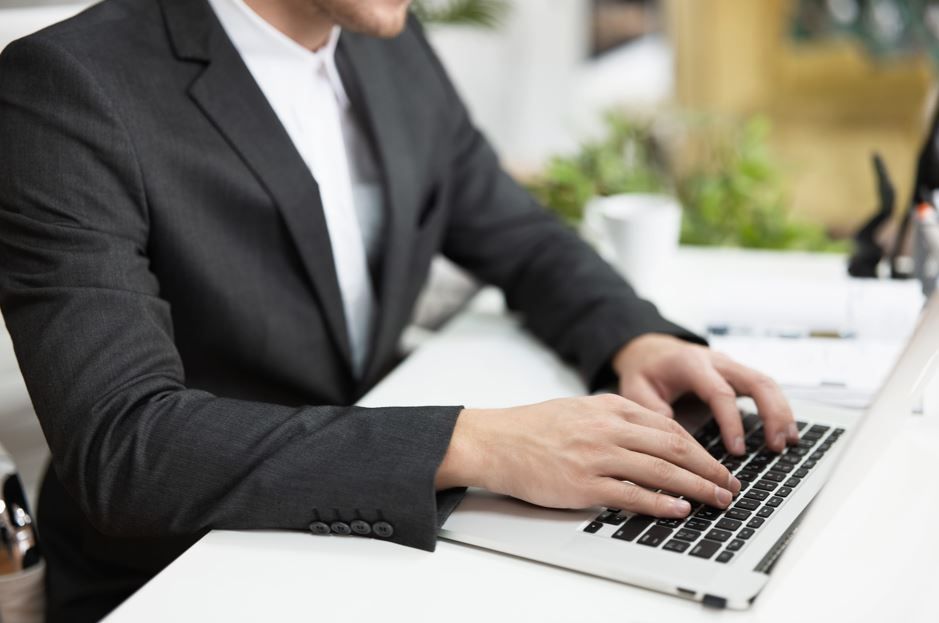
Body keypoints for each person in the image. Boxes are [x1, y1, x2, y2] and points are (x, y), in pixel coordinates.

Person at [0, 0, 798, 620]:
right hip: (186, 572)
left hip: (379, 541)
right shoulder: (65, 88)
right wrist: (478, 440)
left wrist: (632, 334)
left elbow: (510, 229)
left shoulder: (386, 41)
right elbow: (126, 447)